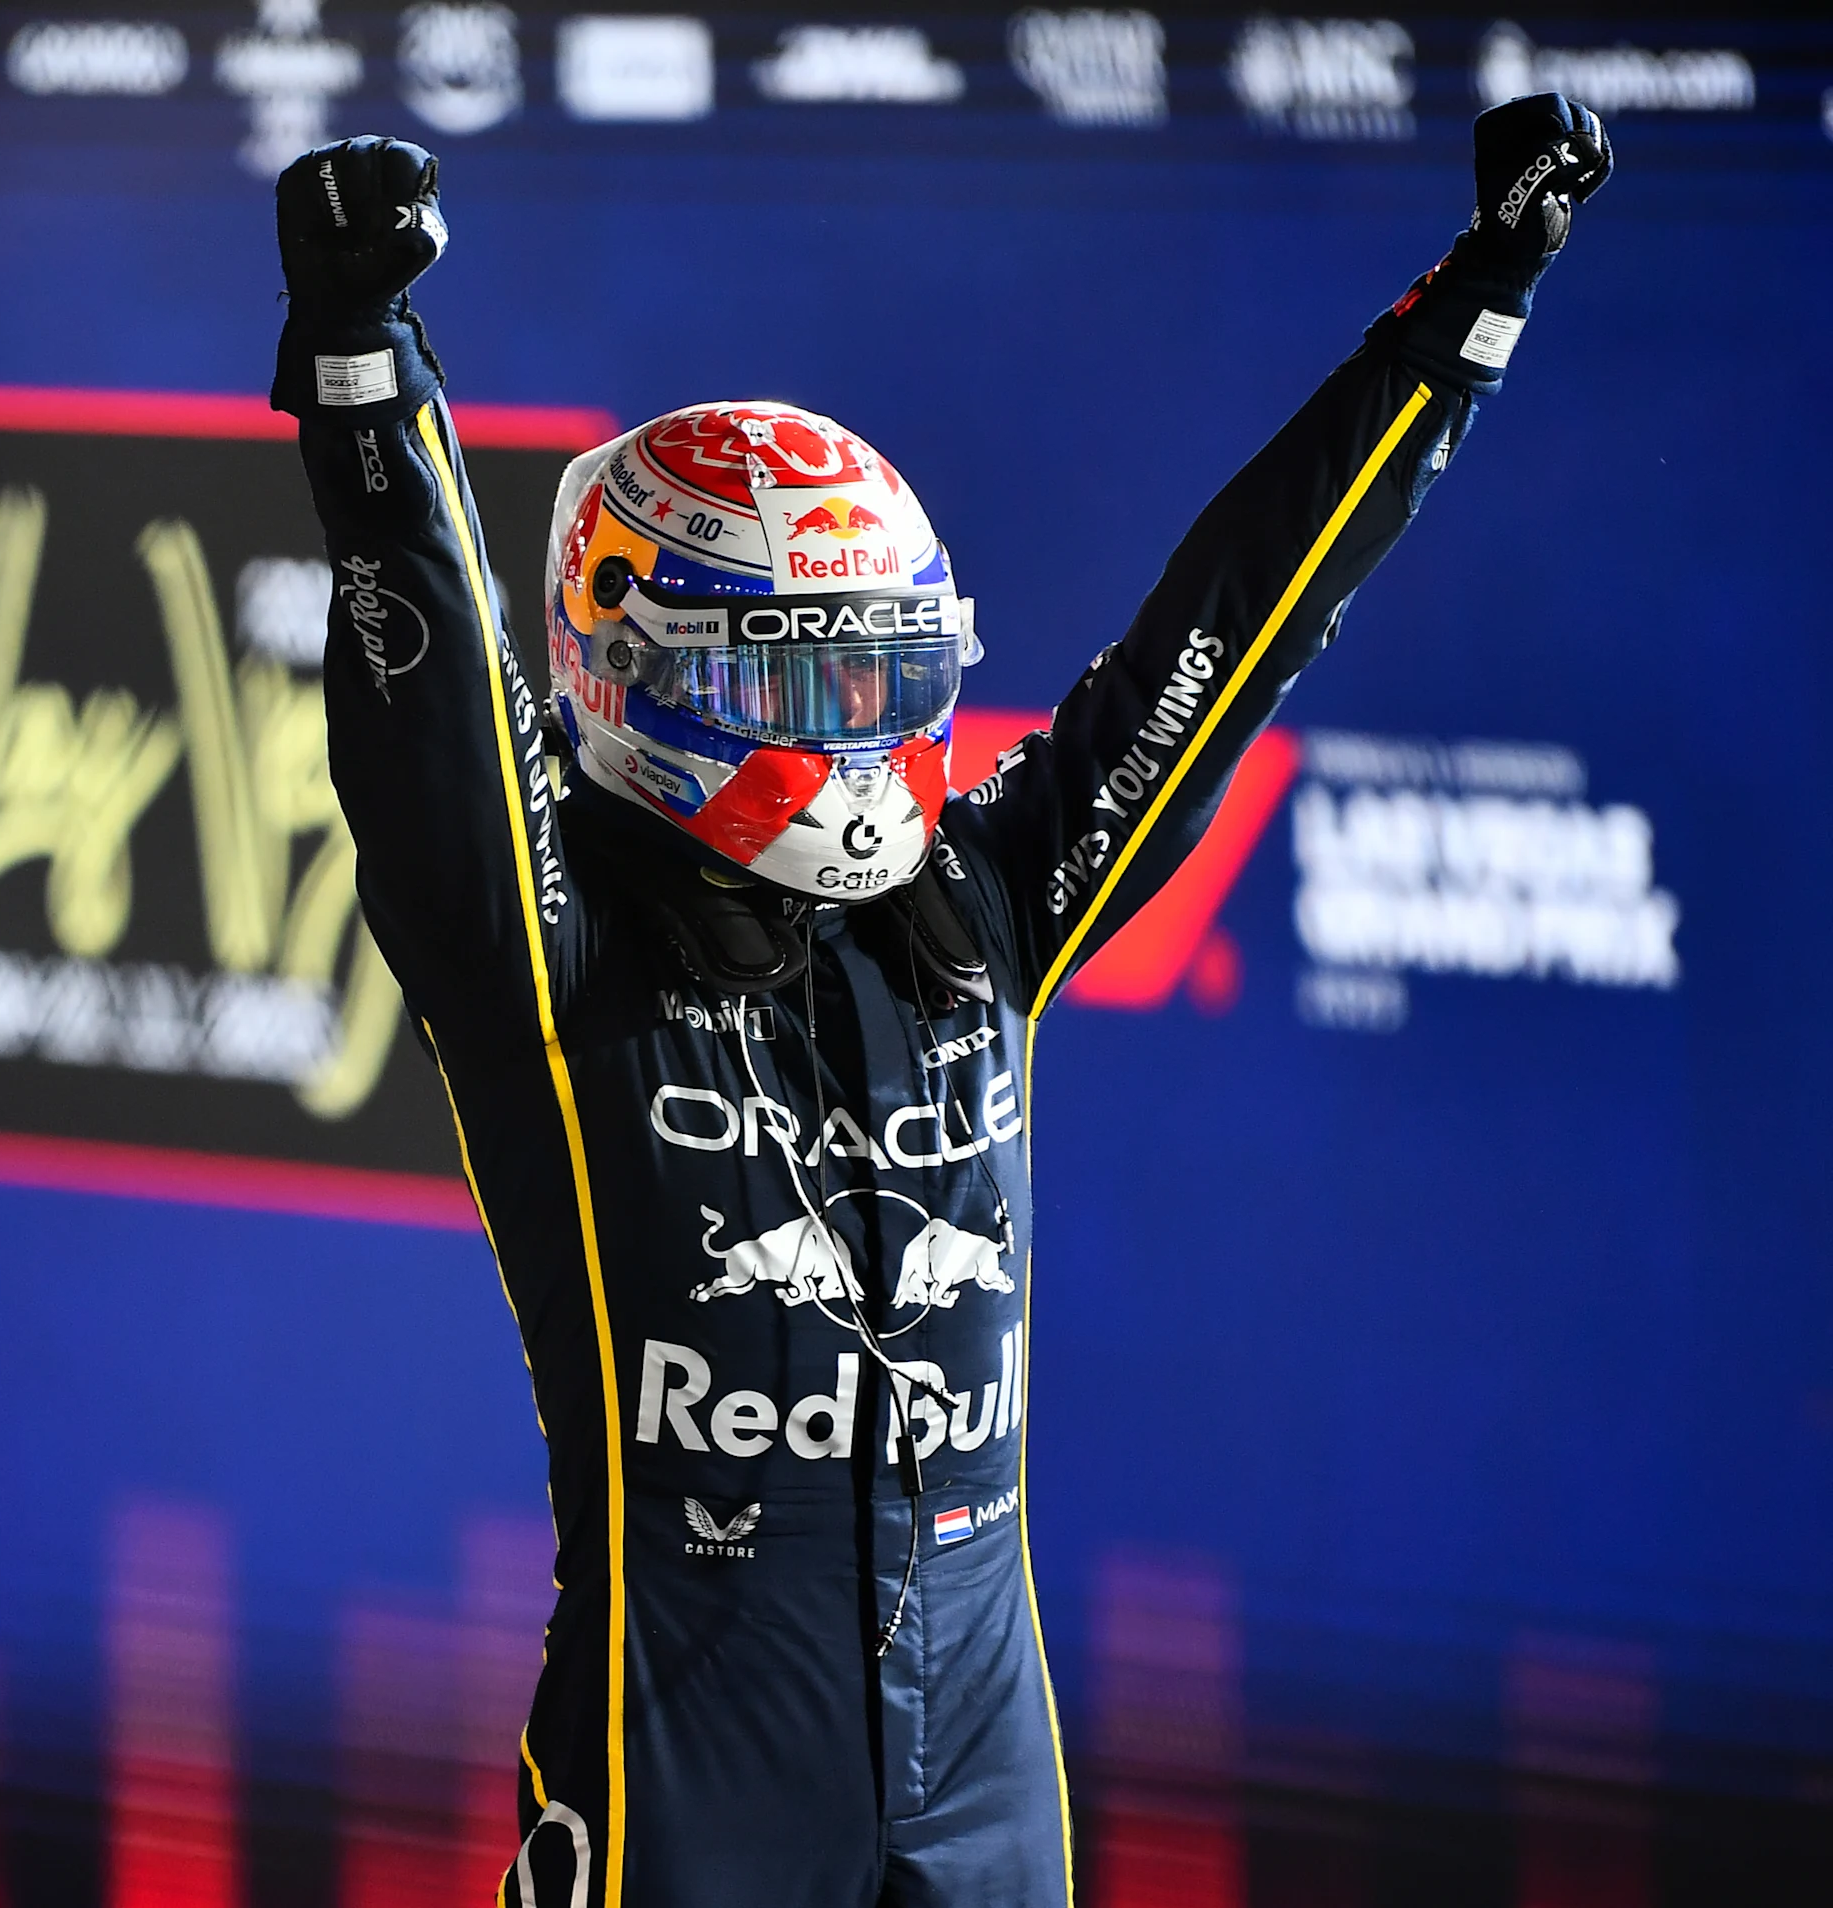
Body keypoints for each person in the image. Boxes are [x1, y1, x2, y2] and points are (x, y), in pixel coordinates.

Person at [269, 97, 1611, 1907]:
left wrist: (1472, 305)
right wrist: (364, 367)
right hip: (687, 1774)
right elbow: (433, 708)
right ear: (650, 671)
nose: (857, 730)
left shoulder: (978, 902)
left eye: (893, 668)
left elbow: (1237, 617)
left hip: (988, 1762)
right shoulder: (553, 949)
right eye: (804, 676)